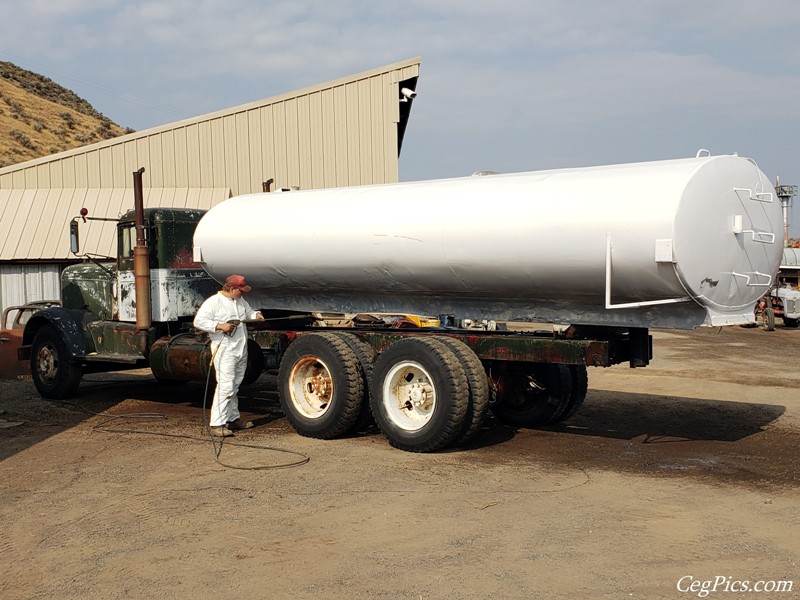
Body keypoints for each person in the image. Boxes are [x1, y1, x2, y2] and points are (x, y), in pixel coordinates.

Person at [194, 274, 265, 437]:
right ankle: (217, 423)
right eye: (240, 290)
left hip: (240, 347)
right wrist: (219, 326)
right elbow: (199, 321)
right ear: (231, 288)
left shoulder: (239, 301)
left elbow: (249, 312)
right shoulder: (214, 302)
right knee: (225, 385)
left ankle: (233, 418)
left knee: (234, 385)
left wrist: (256, 315)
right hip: (224, 349)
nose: (242, 293)